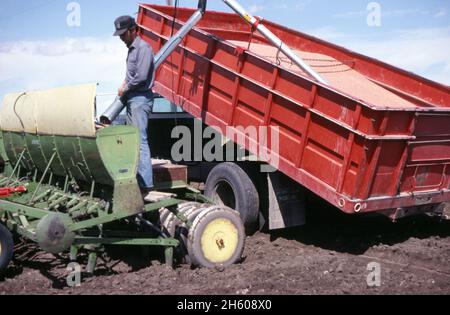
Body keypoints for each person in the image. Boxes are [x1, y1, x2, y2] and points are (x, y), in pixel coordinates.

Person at [112, 15, 155, 201]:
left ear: (133, 30)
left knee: (139, 140)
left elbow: (142, 77)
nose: (121, 38)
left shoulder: (143, 48)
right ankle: (137, 180)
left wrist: (125, 87)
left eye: (123, 34)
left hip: (140, 99)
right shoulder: (131, 50)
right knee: (132, 141)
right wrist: (124, 83)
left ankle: (146, 184)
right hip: (132, 99)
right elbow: (132, 75)